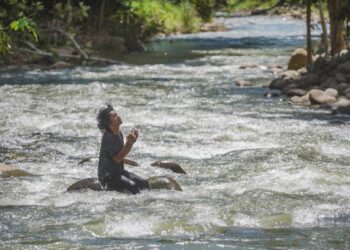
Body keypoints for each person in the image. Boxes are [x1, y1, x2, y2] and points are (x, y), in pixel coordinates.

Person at [97, 103, 149, 194]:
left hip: (119, 172)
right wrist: (130, 142)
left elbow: (120, 154)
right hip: (108, 178)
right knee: (133, 187)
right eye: (114, 116)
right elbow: (117, 159)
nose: (118, 116)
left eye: (117, 114)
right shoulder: (108, 137)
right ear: (108, 122)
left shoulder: (119, 133)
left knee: (144, 183)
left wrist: (132, 141)